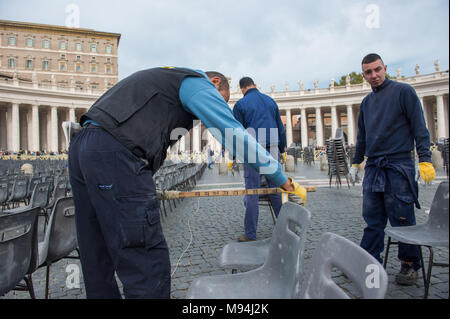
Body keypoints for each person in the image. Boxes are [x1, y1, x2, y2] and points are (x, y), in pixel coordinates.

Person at [68, 67, 306, 299]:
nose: (220, 107)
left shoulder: (164, 79)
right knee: (146, 263)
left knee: (96, 254)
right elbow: (234, 135)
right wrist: (281, 177)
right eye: (222, 100)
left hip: (82, 146)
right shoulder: (195, 82)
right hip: (115, 153)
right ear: (214, 82)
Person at [350, 54, 436, 286]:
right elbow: (363, 137)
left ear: (385, 68)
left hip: (399, 164)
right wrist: (356, 162)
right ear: (364, 74)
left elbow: (420, 126)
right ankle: (369, 262)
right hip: (375, 166)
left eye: (377, 69)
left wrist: (425, 159)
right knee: (372, 218)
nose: (374, 75)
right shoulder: (367, 102)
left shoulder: (403, 92)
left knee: (402, 218)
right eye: (368, 72)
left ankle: (410, 265)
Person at [232, 76, 287, 242]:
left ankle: (250, 234)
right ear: (255, 85)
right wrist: (282, 148)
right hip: (273, 147)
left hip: (252, 149)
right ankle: (284, 229)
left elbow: (237, 132)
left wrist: (235, 154)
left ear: (242, 88)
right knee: (276, 190)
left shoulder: (240, 104)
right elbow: (280, 127)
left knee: (252, 191)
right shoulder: (270, 101)